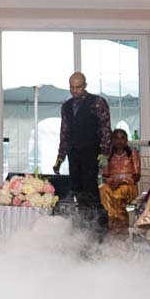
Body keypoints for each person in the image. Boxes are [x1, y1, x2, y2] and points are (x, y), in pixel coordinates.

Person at [53, 72, 110, 228]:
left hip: (91, 151)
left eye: (78, 87)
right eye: (71, 87)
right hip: (74, 153)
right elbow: (64, 132)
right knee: (76, 189)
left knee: (90, 189)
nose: (74, 91)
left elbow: (105, 129)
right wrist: (60, 157)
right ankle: (83, 225)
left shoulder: (97, 102)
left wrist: (105, 154)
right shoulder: (66, 106)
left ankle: (99, 227)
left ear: (85, 85)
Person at [98, 128, 140, 233]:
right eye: (116, 138)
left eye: (122, 138)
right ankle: (114, 220)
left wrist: (121, 181)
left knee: (120, 191)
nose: (119, 141)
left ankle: (120, 222)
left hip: (128, 185)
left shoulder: (133, 153)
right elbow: (104, 175)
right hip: (112, 185)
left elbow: (137, 176)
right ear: (112, 140)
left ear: (126, 140)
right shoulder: (106, 155)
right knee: (103, 189)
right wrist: (111, 182)